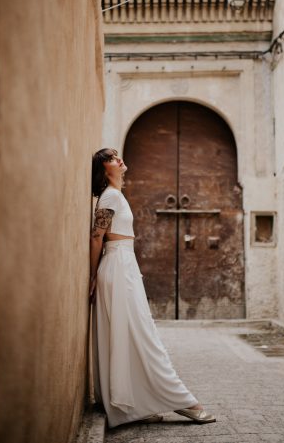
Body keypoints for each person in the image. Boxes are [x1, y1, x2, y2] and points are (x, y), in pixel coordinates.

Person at [90, 147, 216, 428]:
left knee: (134, 335)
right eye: (110, 158)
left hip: (124, 264)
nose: (118, 159)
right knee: (144, 336)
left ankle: (140, 404)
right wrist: (91, 276)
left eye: (117, 155)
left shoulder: (115, 194)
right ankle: (184, 401)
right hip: (117, 266)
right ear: (103, 168)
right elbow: (97, 237)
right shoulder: (109, 196)